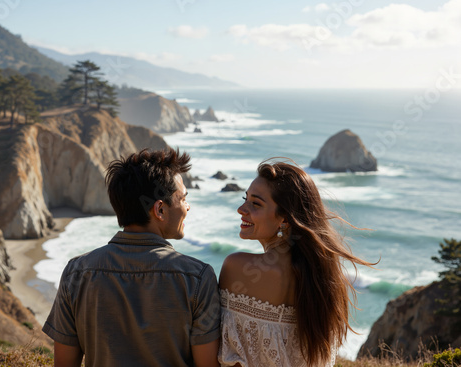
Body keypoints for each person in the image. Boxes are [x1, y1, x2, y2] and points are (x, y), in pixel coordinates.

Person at [42, 148, 221, 367]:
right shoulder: (197, 278)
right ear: (160, 210)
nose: (187, 207)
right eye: (183, 199)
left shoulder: (76, 272)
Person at [218, 159, 375, 367]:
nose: (241, 209)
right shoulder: (324, 279)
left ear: (284, 218)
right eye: (245, 198)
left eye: (255, 203)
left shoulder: (236, 267)